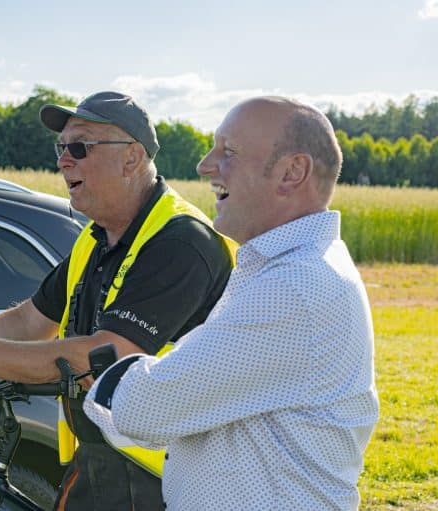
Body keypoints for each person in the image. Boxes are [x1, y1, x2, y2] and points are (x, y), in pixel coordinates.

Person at [0, 91, 235, 510]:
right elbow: (30, 319)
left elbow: (103, 357)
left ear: (132, 159)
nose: (64, 160)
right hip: (102, 464)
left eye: (79, 147)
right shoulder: (97, 237)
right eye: (61, 147)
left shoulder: (181, 241)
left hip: (168, 479)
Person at [83, 96, 380, 510]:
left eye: (229, 152)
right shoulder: (290, 268)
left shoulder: (292, 286)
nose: (205, 165)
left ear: (292, 172)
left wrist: (109, 377)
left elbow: (146, 410)